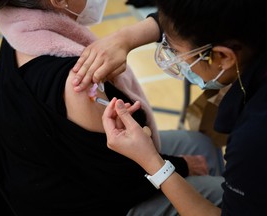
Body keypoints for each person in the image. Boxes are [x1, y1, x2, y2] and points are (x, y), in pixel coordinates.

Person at [0, 0, 223, 215]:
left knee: (201, 144)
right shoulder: (78, 83)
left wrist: (126, 37)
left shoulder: (19, 33)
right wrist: (179, 165)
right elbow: (119, 181)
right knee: (218, 191)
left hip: (59, 175)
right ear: (58, 0)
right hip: (92, 198)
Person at [85, 0, 267, 215]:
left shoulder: (254, 135)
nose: (175, 59)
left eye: (177, 51)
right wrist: (124, 38)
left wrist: (153, 162)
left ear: (224, 56)